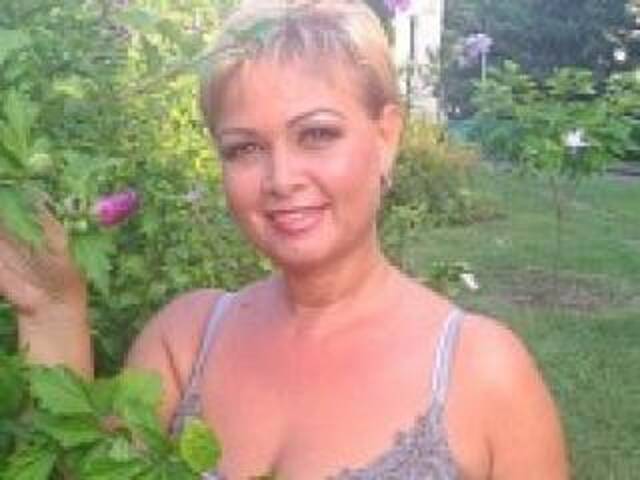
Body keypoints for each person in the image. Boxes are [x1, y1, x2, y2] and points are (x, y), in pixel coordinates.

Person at [0, 1, 568, 478]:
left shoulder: (482, 374)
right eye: (245, 148)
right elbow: (87, 468)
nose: (281, 179)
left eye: (316, 134)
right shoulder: (185, 341)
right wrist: (53, 311)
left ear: (387, 136)